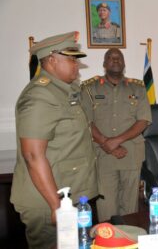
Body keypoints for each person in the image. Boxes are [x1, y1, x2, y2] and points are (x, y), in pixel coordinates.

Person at [10, 31, 99, 249]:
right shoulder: (40, 96)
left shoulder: (65, 91)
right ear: (52, 60)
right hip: (48, 202)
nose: (77, 65)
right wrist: (56, 207)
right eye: (71, 59)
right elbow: (32, 155)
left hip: (71, 195)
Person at [81, 48, 151, 222]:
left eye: (119, 57)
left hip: (131, 154)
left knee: (130, 208)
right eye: (110, 58)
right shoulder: (89, 89)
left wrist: (116, 141)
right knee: (106, 208)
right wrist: (107, 144)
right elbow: (85, 122)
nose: (115, 60)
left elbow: (143, 121)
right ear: (104, 64)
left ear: (124, 64)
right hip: (102, 155)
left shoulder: (138, 88)